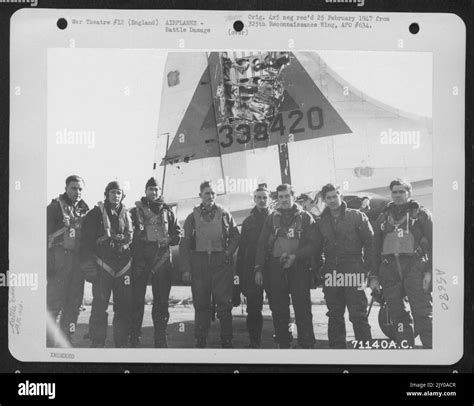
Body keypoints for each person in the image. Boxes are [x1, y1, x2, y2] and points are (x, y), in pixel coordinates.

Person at [371, 178, 432, 348]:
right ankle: (406, 354)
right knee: (398, 317)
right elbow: (375, 249)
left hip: (415, 268)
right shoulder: (383, 217)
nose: (397, 195)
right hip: (389, 270)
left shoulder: (421, 214)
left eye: (401, 192)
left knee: (423, 314)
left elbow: (435, 244)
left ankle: (432, 357)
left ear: (409, 193)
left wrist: (429, 271)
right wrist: (374, 275)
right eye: (394, 192)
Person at [254, 184, 316, 349]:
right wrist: (258, 268)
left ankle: (306, 344)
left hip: (298, 267)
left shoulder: (305, 217)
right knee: (279, 308)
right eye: (280, 197)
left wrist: (296, 256)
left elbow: (313, 245)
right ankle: (283, 342)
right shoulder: (271, 218)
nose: (283, 200)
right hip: (276, 268)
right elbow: (261, 245)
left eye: (287, 196)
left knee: (302, 307)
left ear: (293, 197)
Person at [180, 181, 240, 348]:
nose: (210, 196)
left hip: (220, 263)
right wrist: (186, 269)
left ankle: (227, 339)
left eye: (213, 193)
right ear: (200, 195)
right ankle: (201, 339)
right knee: (201, 304)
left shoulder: (225, 214)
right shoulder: (192, 218)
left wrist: (228, 253)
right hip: (199, 264)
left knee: (224, 304)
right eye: (207, 193)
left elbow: (235, 236)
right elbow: (184, 244)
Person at [314, 184, 373, 349]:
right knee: (334, 314)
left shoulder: (357, 217)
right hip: (331, 271)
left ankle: (365, 354)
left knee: (358, 315)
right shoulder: (321, 222)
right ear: (324, 200)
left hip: (354, 270)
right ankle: (337, 354)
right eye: (328, 198)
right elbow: (316, 247)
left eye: (335, 196)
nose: (332, 200)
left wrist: (365, 268)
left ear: (341, 196)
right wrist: (320, 268)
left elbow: (370, 243)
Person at [129, 177, 182, 348]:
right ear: (145, 191)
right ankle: (134, 336)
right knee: (137, 301)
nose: (154, 192)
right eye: (151, 189)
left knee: (161, 302)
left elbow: (178, 234)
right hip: (141, 262)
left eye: (157, 189)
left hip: (163, 260)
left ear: (160, 192)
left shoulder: (168, 212)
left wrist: (170, 239)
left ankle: (160, 337)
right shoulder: (133, 212)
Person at [80, 181, 133, 348]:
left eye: (118, 192)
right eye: (112, 192)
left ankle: (121, 341)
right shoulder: (95, 214)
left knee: (123, 306)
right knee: (99, 306)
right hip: (102, 265)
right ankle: (97, 341)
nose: (115, 195)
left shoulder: (128, 214)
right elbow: (86, 242)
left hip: (123, 266)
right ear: (106, 194)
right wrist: (88, 267)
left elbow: (133, 241)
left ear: (122, 195)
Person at [47, 175, 89, 345]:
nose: (77, 192)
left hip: (77, 262)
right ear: (65, 188)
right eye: (73, 188)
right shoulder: (54, 208)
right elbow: (42, 236)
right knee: (53, 303)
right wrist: (48, 263)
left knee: (74, 304)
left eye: (80, 189)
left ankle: (67, 338)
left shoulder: (85, 210)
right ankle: (48, 341)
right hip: (59, 260)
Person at [236, 183, 272, 348]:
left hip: (273, 269)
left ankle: (282, 340)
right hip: (252, 270)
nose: (262, 200)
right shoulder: (248, 222)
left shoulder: (276, 218)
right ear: (254, 199)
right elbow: (242, 252)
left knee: (279, 306)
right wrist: (241, 277)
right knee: (253, 308)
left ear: (269, 199)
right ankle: (254, 341)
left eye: (265, 197)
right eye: (259, 197)